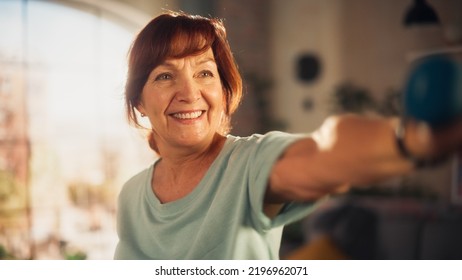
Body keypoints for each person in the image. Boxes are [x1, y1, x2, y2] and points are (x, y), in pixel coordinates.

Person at [114, 11, 462, 260]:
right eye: (164, 76)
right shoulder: (131, 197)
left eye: (205, 73)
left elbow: (323, 156)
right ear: (139, 101)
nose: (190, 93)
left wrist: (413, 140)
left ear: (223, 91)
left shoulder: (248, 163)